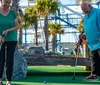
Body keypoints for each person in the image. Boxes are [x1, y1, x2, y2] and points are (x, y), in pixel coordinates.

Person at [0, 0, 19, 85]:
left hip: (11, 39)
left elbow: (17, 26)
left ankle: (8, 80)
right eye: (5, 2)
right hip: (1, 40)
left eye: (8, 3)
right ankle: (0, 80)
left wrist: (8, 30)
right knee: (1, 60)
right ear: (1, 1)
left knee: (9, 60)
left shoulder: (12, 13)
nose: (7, 4)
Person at [81, 1, 100, 80]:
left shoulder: (98, 12)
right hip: (92, 43)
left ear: (90, 6)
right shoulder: (86, 16)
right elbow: (87, 27)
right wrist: (83, 35)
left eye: (85, 9)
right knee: (94, 59)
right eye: (83, 10)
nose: (84, 11)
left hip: (99, 41)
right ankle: (94, 74)